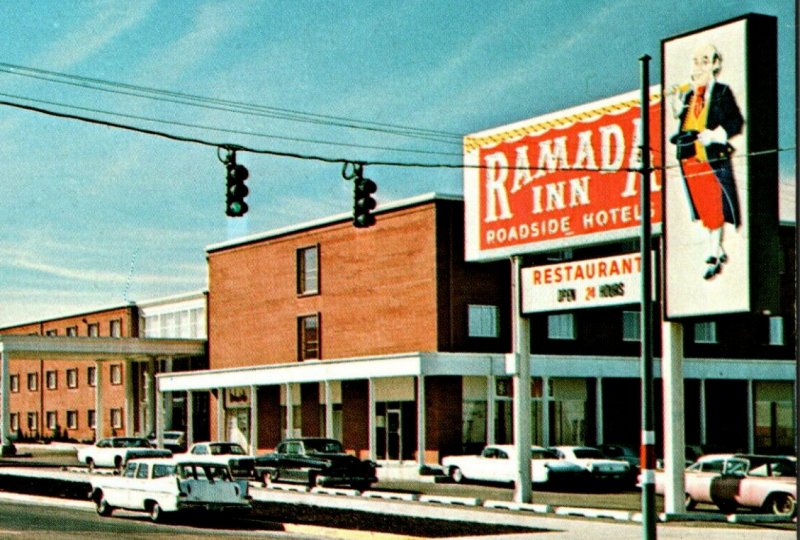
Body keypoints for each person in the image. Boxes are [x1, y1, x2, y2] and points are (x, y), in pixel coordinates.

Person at [669, 43, 744, 280]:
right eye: (695, 61)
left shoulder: (721, 92)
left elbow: (736, 122)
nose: (698, 66)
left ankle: (713, 251)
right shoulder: (691, 95)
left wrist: (714, 135)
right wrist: (676, 102)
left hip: (711, 156)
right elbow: (682, 121)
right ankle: (717, 247)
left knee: (714, 203)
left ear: (714, 65)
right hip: (689, 157)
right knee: (702, 205)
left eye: (703, 61)